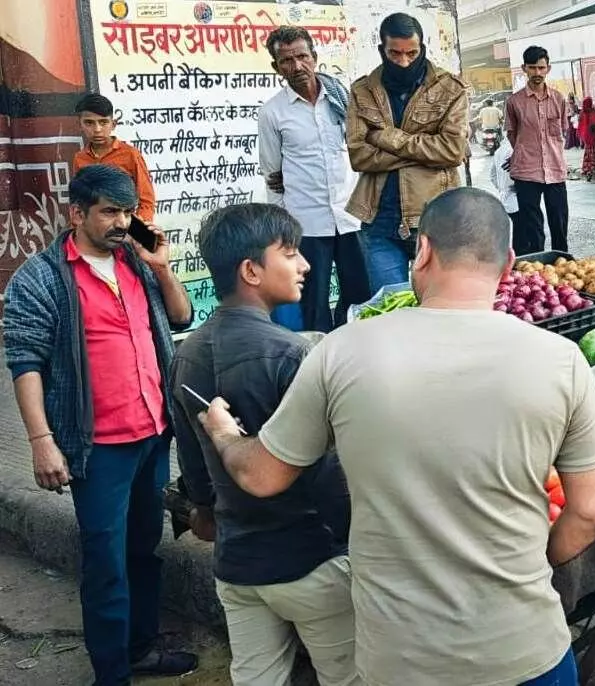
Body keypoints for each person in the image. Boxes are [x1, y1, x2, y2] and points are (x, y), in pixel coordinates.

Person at [197, 187, 595, 684]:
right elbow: (590, 513)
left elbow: (262, 476)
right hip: (524, 649)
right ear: (509, 264)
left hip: (400, 659)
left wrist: (225, 435)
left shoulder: (342, 351)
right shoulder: (561, 360)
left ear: (423, 251)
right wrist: (527, 566)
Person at [2, 164, 197, 683]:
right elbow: (25, 362)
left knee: (142, 551)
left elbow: (181, 318)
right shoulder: (42, 277)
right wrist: (42, 443)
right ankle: (112, 674)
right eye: (109, 212)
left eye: (128, 212)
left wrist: (161, 267)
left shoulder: (135, 261)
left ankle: (142, 648)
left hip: (152, 435)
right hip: (98, 447)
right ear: (76, 214)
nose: (121, 222)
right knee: (106, 562)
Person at [169, 203, 356, 686]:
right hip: (310, 560)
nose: (306, 265)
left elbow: (194, 467)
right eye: (290, 254)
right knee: (348, 676)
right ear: (251, 270)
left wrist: (206, 512)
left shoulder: (186, 353)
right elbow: (325, 473)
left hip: (238, 566)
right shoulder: (291, 353)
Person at [258, 25, 371, 333]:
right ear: (276, 67)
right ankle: (321, 367)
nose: (297, 67)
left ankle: (355, 358)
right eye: (287, 61)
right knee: (313, 303)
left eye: (302, 57)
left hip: (351, 218)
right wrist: (282, 231)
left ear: (314, 57)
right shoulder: (272, 113)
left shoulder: (343, 100)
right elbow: (273, 174)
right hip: (307, 224)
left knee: (360, 296)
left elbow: (362, 151)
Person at [347, 12, 469, 292]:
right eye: (395, 54)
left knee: (440, 303)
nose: (404, 62)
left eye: (412, 53)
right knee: (393, 310)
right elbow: (359, 155)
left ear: (422, 48)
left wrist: (389, 138)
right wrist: (425, 147)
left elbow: (452, 151)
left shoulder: (451, 89)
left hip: (435, 217)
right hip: (379, 221)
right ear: (382, 50)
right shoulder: (362, 91)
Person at [506, 45, 571, 255]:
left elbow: (563, 131)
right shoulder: (514, 102)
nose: (537, 73)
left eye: (541, 68)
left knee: (559, 223)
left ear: (548, 68)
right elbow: (512, 134)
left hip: (555, 170)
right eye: (532, 68)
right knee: (532, 229)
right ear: (524, 68)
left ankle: (562, 267)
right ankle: (537, 273)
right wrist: (524, 152)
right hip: (526, 172)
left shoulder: (559, 99)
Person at [71, 93, 156, 223]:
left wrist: (137, 232)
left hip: (123, 228)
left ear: (113, 124)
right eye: (89, 123)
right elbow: (79, 199)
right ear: (79, 125)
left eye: (103, 122)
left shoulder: (130, 155)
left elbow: (147, 201)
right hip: (94, 232)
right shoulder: (80, 158)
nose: (97, 129)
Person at [579, 96, 595, 181]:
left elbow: (581, 126)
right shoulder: (592, 112)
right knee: (594, 153)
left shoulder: (583, 112)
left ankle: (588, 171)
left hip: (588, 138)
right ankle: (594, 170)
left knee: (589, 154)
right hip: (593, 138)